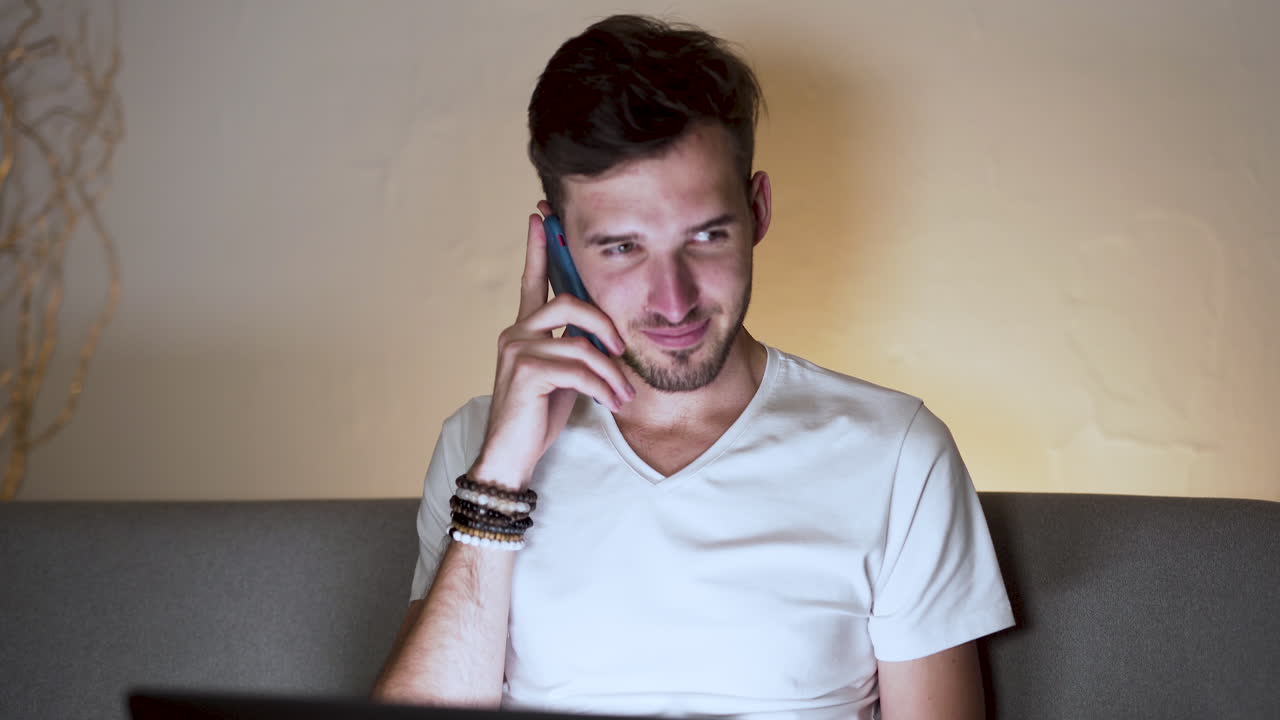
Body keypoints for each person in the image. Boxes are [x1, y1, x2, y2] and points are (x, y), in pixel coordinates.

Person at [372, 14, 1014, 720]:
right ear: (558, 247)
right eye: (621, 248)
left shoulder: (896, 455)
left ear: (758, 210)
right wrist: (498, 480)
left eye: (706, 236)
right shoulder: (479, 449)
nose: (672, 300)